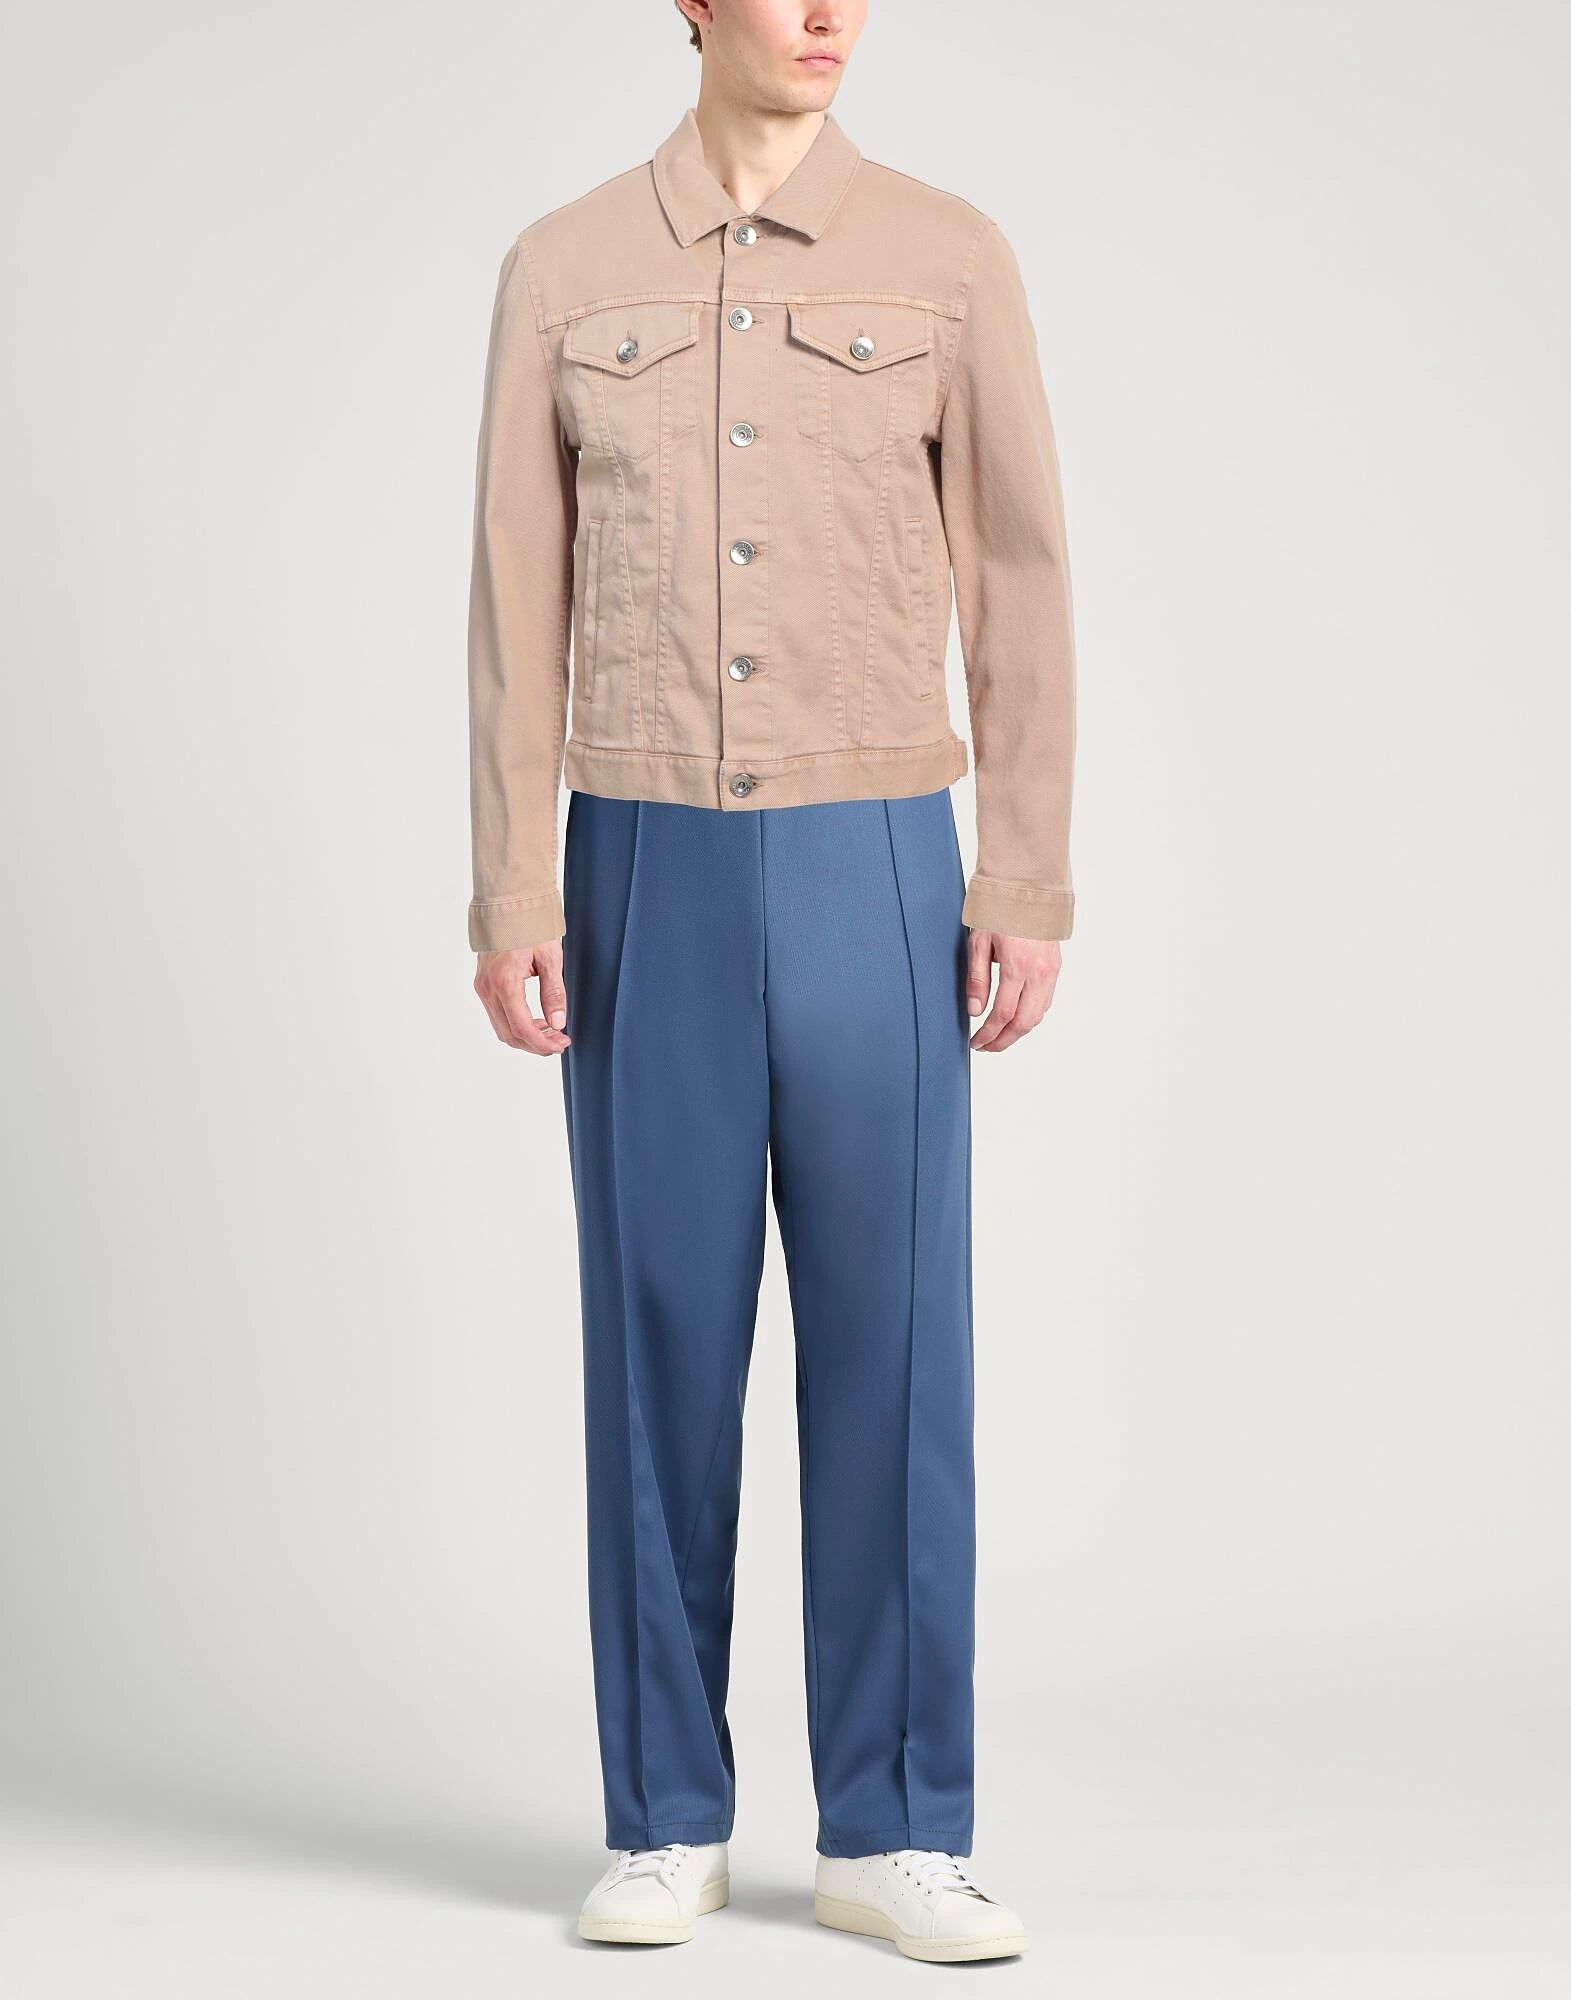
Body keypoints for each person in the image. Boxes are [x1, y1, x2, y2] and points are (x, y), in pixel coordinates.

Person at [465, 0, 1075, 1965]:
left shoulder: (949, 256)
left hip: (878, 854)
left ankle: (896, 1827)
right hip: (642, 854)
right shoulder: (564, 269)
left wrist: (1025, 869)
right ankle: (667, 1815)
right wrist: (513, 882)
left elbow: (1020, 576)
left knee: (898, 1342)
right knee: (654, 1338)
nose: (827, 15)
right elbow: (515, 597)